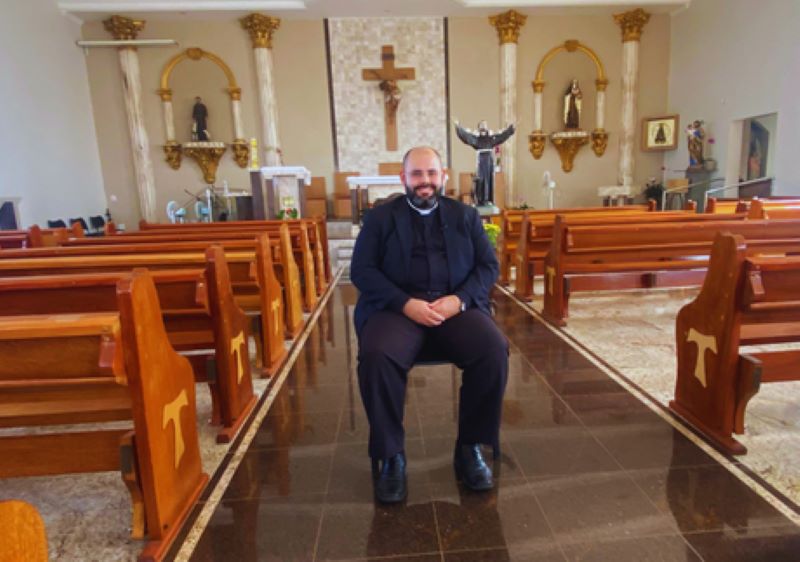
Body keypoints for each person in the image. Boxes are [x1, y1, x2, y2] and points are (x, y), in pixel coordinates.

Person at [350, 146, 509, 504]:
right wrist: (405, 304)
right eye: (417, 175)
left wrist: (461, 299)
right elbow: (361, 270)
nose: (425, 182)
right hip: (397, 309)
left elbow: (488, 266)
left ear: (444, 177)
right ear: (403, 178)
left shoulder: (465, 216)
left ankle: (470, 447)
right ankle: (391, 456)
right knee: (376, 355)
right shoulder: (380, 218)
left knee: (493, 350)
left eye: (431, 174)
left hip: (454, 307)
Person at [454, 121, 515, 206]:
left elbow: (502, 137)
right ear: (479, 127)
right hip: (481, 161)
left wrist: (511, 129)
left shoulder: (491, 138)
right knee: (481, 180)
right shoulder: (476, 139)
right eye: (482, 125)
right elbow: (466, 137)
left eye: (485, 125)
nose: (483, 126)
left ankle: (488, 200)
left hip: (489, 161)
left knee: (489, 180)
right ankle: (480, 201)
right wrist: (458, 127)